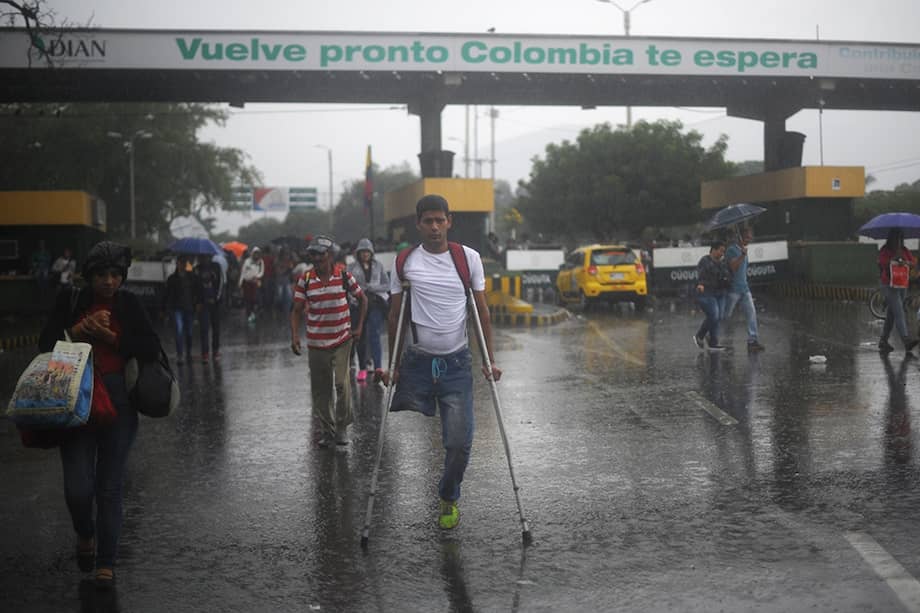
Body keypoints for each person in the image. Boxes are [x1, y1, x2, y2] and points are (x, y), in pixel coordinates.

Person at [37, 241, 161, 589]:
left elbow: (151, 347)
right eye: (102, 276)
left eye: (115, 276)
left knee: (109, 487)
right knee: (78, 488)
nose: (109, 282)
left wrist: (110, 337)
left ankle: (106, 562)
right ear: (89, 277)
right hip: (74, 402)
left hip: (119, 405)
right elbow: (44, 346)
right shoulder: (71, 302)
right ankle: (85, 534)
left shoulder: (129, 304)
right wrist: (75, 332)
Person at [382, 194, 501, 530]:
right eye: (428, 221)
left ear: (449, 221)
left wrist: (490, 360)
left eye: (440, 220)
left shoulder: (468, 259)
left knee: (459, 442)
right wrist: (392, 365)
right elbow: (395, 316)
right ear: (418, 224)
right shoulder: (405, 261)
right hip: (418, 363)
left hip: (456, 364)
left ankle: (448, 495)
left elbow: (481, 310)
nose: (434, 227)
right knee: (398, 436)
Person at [290, 235, 367, 448]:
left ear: (329, 255)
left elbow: (362, 299)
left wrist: (359, 327)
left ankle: (342, 427)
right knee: (321, 390)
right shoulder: (305, 280)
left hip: (342, 340)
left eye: (320, 254)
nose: (316, 258)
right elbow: (296, 310)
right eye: (312, 254)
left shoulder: (343, 275)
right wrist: (295, 336)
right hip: (316, 344)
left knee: (342, 385)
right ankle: (327, 429)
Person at [347, 238, 389, 382]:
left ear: (371, 253)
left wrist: (373, 287)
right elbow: (346, 288)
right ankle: (363, 368)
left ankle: (378, 366)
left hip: (375, 303)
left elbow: (386, 285)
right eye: (362, 252)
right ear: (358, 253)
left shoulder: (378, 266)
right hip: (358, 305)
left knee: (374, 333)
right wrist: (356, 294)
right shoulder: (351, 268)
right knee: (360, 336)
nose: (365, 254)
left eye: (367, 252)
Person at [722, 227, 765, 352]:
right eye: (747, 237)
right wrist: (742, 255)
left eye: (750, 237)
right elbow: (733, 267)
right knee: (725, 315)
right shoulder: (731, 250)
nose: (749, 239)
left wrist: (743, 253)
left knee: (751, 314)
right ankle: (710, 334)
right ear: (740, 237)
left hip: (744, 289)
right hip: (733, 289)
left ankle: (752, 341)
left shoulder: (743, 250)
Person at [877, 228, 919, 354]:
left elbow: (912, 262)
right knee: (899, 311)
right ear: (891, 238)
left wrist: (906, 262)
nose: (898, 241)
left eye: (900, 238)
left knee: (891, 314)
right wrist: (894, 259)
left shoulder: (904, 250)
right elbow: (882, 262)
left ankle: (883, 340)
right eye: (896, 238)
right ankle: (906, 340)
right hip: (889, 285)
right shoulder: (885, 250)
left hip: (902, 284)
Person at [693, 240, 731, 352]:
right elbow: (701, 275)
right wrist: (700, 284)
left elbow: (727, 275)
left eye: (724, 252)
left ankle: (713, 342)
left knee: (718, 317)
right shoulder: (704, 261)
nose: (722, 254)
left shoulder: (723, 262)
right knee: (714, 315)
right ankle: (700, 336)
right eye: (721, 251)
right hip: (707, 293)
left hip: (721, 293)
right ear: (713, 250)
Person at [164, 256, 202, 365]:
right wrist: (164, 309)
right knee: (179, 331)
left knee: (189, 333)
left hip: (189, 308)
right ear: (178, 264)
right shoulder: (172, 279)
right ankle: (180, 355)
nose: (183, 265)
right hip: (177, 309)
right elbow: (167, 294)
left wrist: (198, 302)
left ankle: (188, 353)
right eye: (181, 263)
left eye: (184, 263)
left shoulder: (192, 277)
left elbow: (198, 290)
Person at [195, 254, 223, 362]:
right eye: (202, 257)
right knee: (204, 329)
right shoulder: (196, 269)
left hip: (215, 304)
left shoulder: (216, 267)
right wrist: (198, 302)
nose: (204, 258)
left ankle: (215, 351)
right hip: (203, 304)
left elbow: (221, 284)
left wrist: (216, 298)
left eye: (207, 256)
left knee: (216, 329)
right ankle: (205, 353)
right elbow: (195, 287)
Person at [239, 247, 264, 324]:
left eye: (257, 253)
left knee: (254, 299)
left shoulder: (260, 262)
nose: (256, 255)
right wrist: (240, 283)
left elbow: (261, 272)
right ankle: (249, 314)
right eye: (255, 253)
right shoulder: (247, 261)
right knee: (247, 299)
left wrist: (257, 277)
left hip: (255, 282)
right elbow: (243, 272)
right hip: (246, 282)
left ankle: (253, 313)